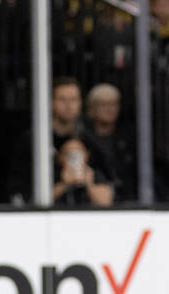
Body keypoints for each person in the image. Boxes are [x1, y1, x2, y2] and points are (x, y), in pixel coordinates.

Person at [8, 76, 112, 205]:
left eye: (73, 99)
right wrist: (62, 183)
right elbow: (21, 191)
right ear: (51, 103)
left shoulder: (91, 141)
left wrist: (88, 180)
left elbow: (108, 190)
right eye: (62, 99)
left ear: (80, 103)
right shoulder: (34, 141)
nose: (69, 105)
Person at [85, 83, 136, 202]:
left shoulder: (130, 138)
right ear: (92, 108)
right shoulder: (83, 139)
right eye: (103, 104)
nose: (110, 109)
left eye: (113, 104)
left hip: (129, 199)